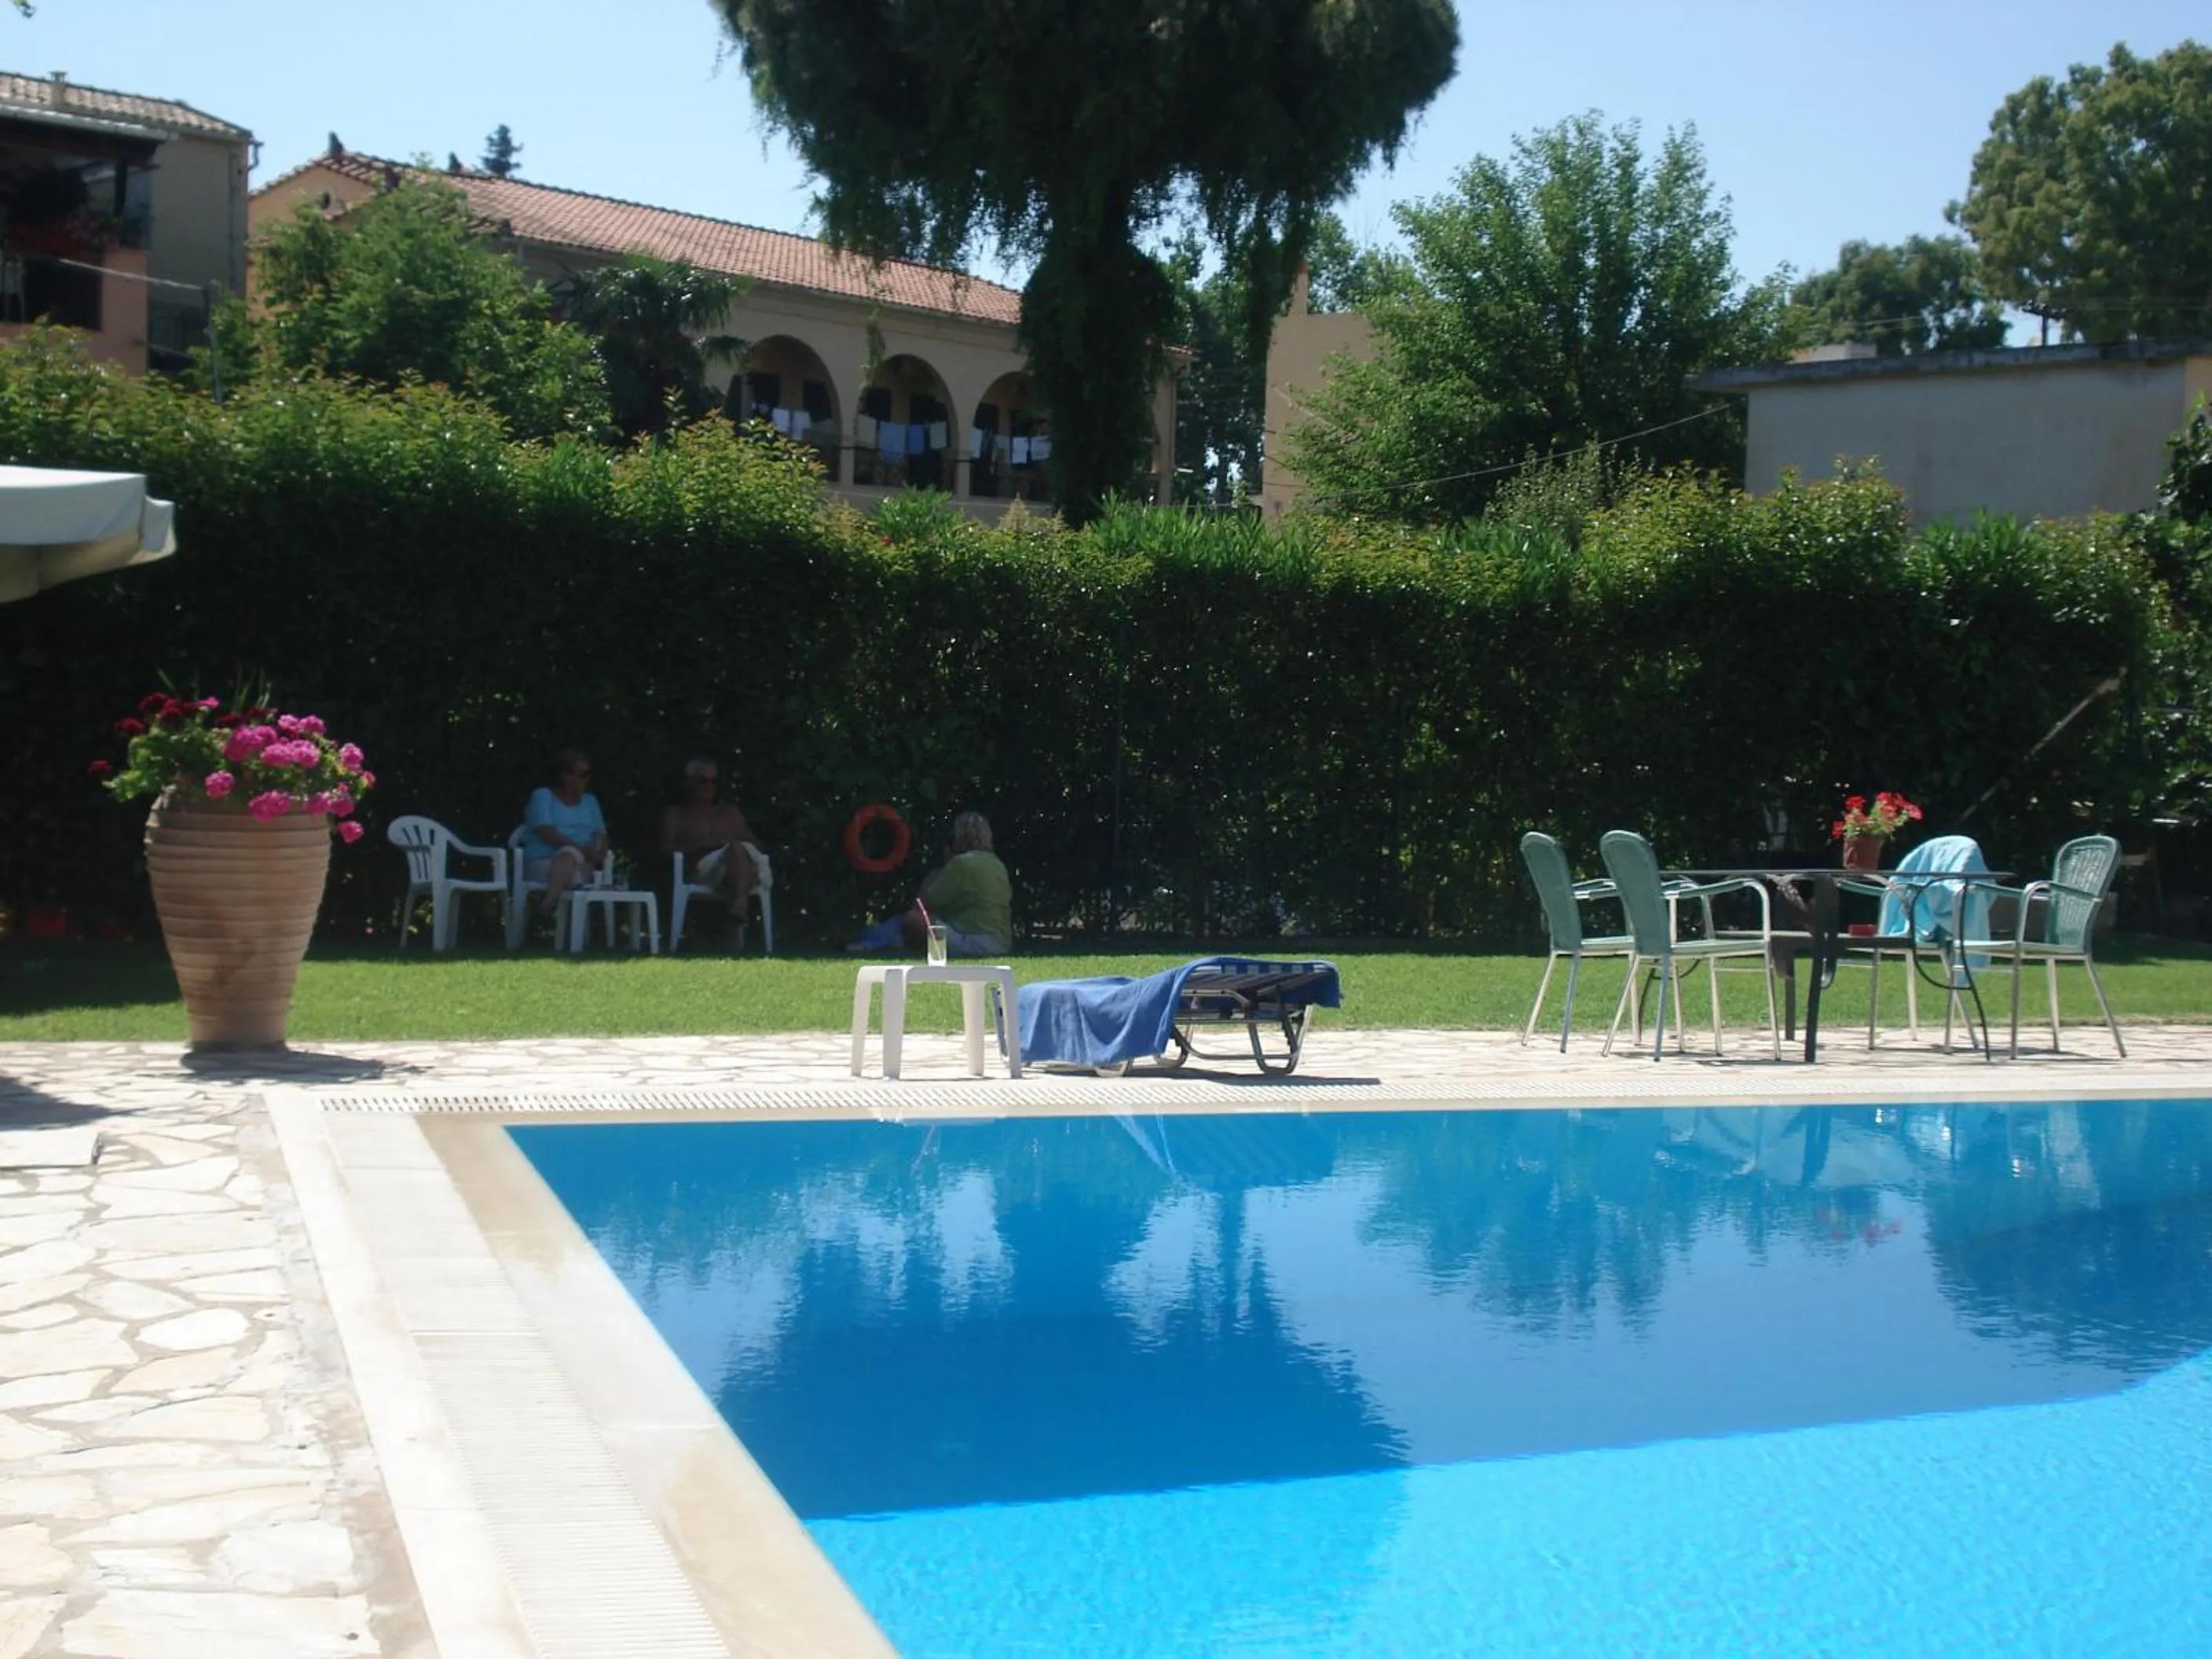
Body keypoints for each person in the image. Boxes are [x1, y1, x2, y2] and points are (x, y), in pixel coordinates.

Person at [848, 810, 1013, 957]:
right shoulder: (997, 864)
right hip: (1000, 944)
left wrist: (939, 871)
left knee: (911, 920)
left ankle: (866, 942)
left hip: (972, 941)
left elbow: (921, 905)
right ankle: (873, 943)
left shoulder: (961, 864)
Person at [660, 756, 764, 948]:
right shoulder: (677, 814)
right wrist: (704, 845)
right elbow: (666, 849)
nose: (709, 786)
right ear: (688, 783)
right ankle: (737, 915)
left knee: (738, 851)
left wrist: (731, 846)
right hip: (703, 869)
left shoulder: (729, 813)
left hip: (739, 865)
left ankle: (736, 913)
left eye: (713, 781)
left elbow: (755, 844)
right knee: (736, 852)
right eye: (702, 781)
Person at [522, 749, 608, 932]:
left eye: (589, 774)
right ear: (565, 776)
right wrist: (582, 850)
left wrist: (600, 852)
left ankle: (545, 909)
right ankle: (551, 911)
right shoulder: (543, 796)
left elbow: (600, 833)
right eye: (582, 774)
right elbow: (546, 831)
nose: (587, 779)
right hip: (544, 861)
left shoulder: (591, 801)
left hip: (582, 864)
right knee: (569, 855)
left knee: (571, 859)